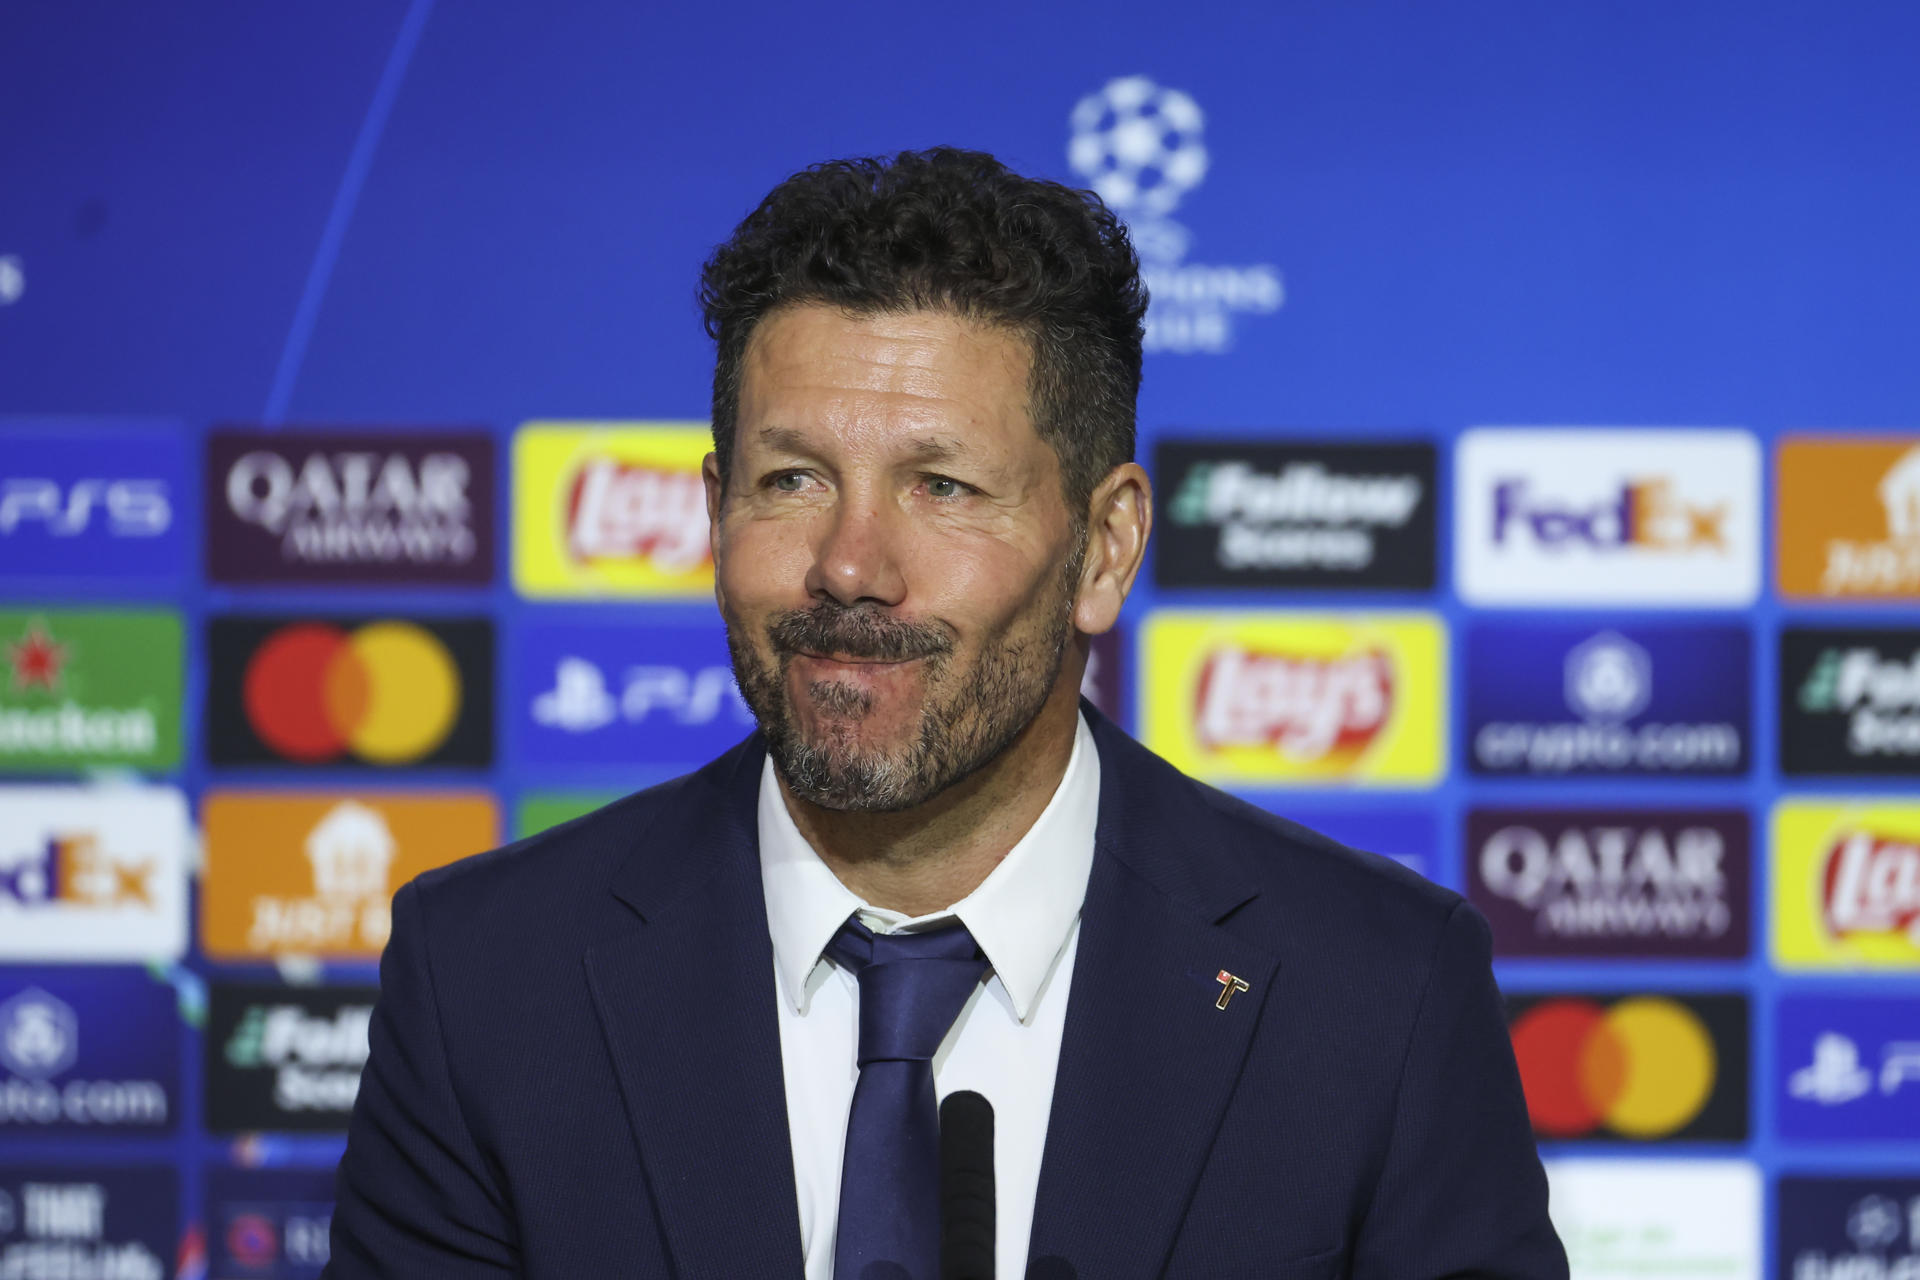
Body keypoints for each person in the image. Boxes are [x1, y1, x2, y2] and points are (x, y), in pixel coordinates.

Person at [323, 147, 1566, 1280]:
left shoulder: (1375, 991)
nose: (850, 564)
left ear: (1105, 545)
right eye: (792, 478)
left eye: (942, 486)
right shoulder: (488, 977)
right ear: (713, 518)